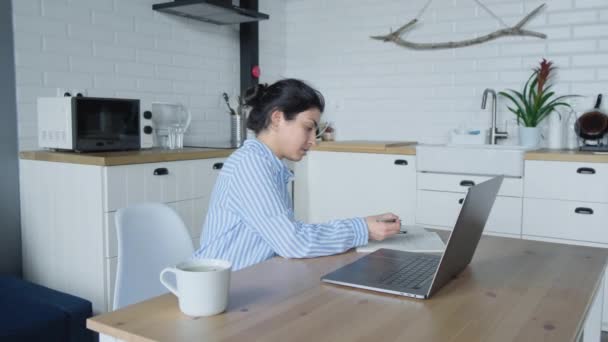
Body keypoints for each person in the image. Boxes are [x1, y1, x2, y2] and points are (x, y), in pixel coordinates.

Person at [193, 79, 401, 270]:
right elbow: (293, 242)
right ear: (277, 118)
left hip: (252, 281)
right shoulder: (250, 164)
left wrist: (364, 224)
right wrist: (363, 229)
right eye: (308, 127)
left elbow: (291, 233)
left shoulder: (267, 164)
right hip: (222, 291)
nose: (313, 141)